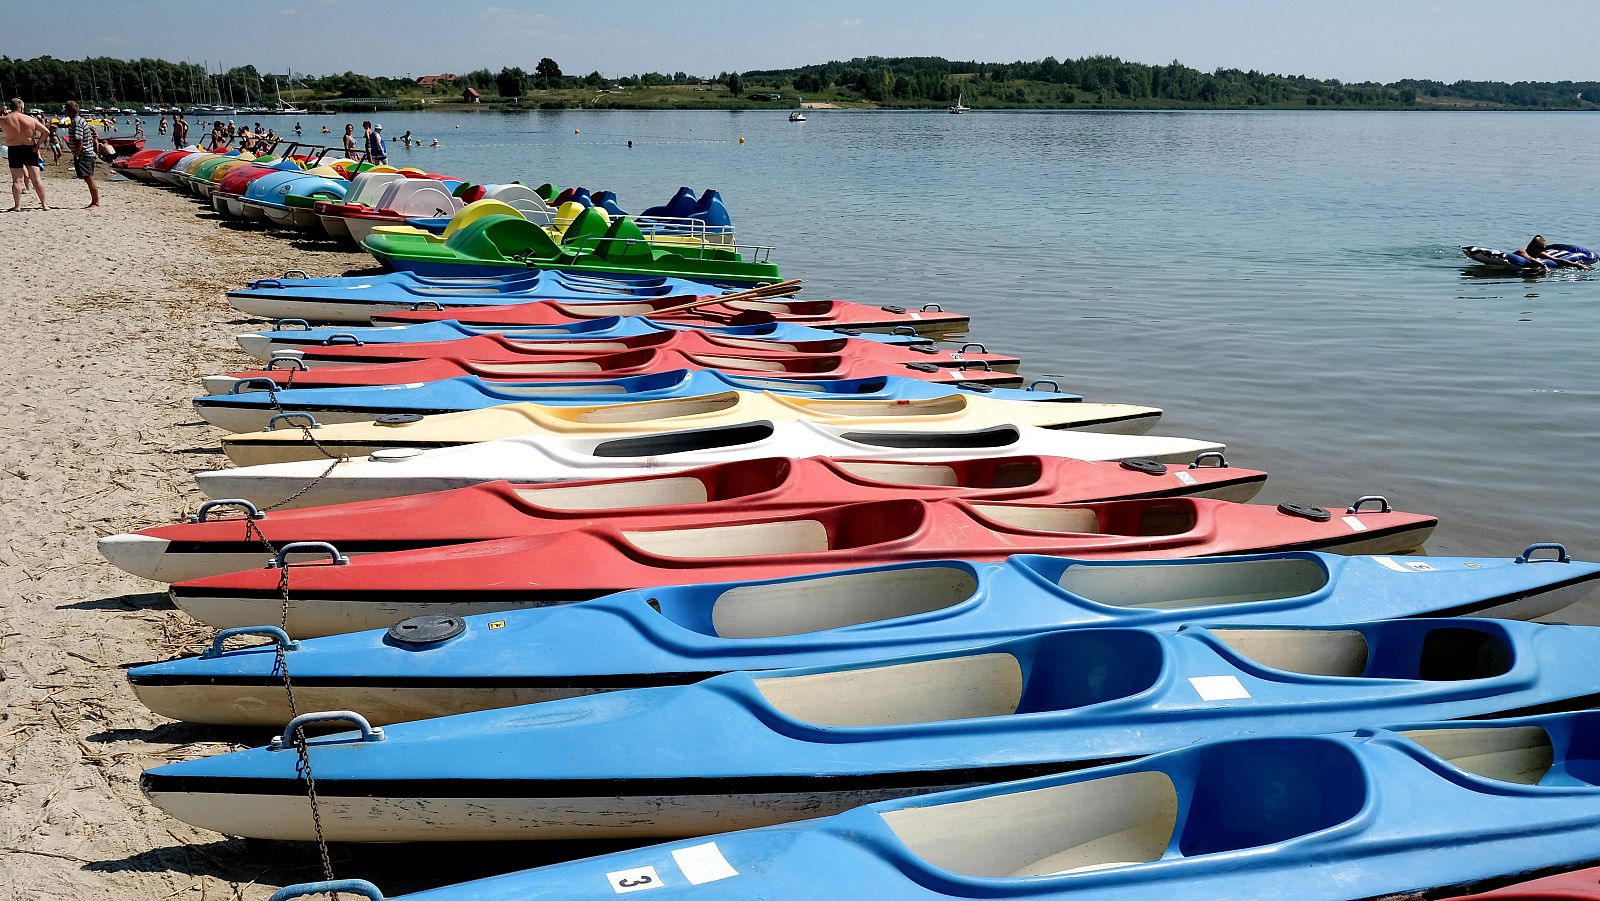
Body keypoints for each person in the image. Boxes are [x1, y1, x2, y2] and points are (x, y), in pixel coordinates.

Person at [3, 98, 49, 211]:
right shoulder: (30, 119)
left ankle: (17, 206)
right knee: (36, 179)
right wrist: (38, 145)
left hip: (14, 149)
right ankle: (44, 205)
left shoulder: (4, 119)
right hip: (30, 148)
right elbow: (46, 132)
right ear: (22, 108)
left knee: (17, 180)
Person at [64, 100, 99, 209]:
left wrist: (76, 154)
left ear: (69, 111)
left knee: (88, 177)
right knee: (88, 177)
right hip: (88, 153)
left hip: (84, 154)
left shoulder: (76, 122)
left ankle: (95, 202)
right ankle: (95, 201)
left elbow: (79, 140)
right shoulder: (80, 120)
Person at [1518, 234, 1592, 270]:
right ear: (1531, 246)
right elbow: (1529, 258)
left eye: (1542, 249)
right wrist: (1542, 265)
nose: (1539, 251)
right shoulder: (1522, 251)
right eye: (1538, 248)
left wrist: (1577, 265)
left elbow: (1556, 259)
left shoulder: (1540, 253)